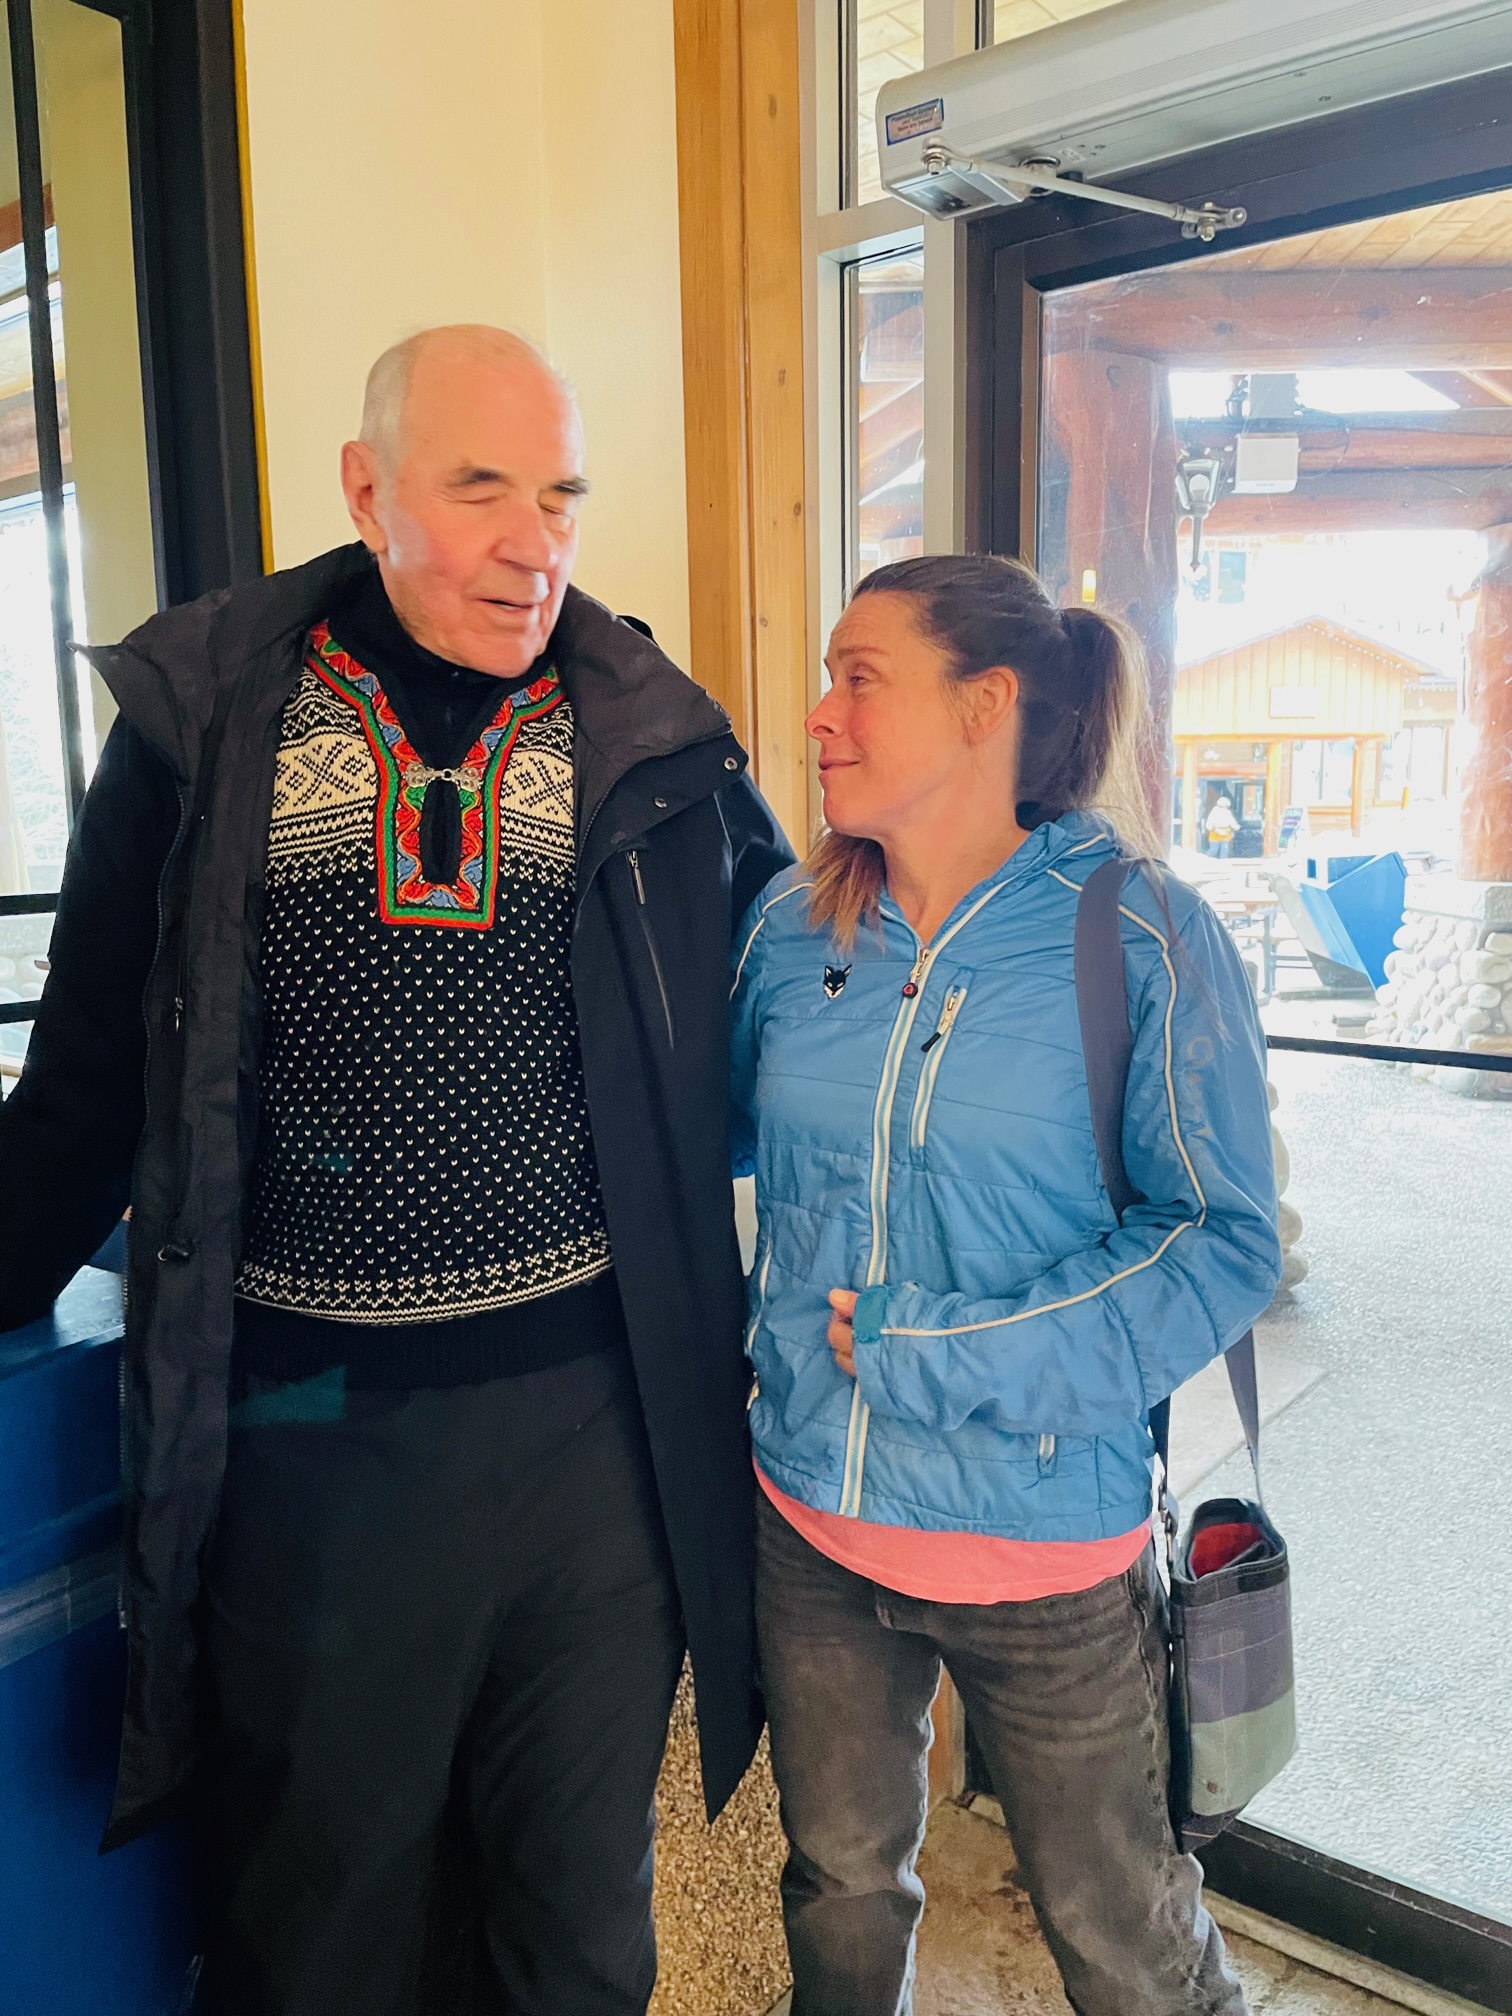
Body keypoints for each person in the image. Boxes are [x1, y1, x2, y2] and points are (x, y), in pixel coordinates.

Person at [0, 325, 791, 2016]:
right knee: (322, 1913)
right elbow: (82, 1089)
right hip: (315, 1441)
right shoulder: (209, 726)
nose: (532, 542)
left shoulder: (651, 739)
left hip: (599, 1445)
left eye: (560, 495)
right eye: (480, 487)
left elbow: (791, 1024)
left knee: (576, 1925)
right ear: (367, 491)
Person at [732, 554, 1281, 2016]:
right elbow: (709, 1144)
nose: (820, 712)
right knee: (838, 1886)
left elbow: (1218, 1238)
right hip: (811, 1521)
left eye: (860, 677)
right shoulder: (792, 929)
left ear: (984, 705)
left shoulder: (1139, 930)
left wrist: (933, 1351)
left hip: (1040, 1552)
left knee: (1122, 1933)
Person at [1206, 791, 1239, 857]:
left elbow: (1232, 821)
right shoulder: (1214, 812)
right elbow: (1209, 823)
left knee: (1224, 851)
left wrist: (1236, 827)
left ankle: (1223, 862)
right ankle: (1205, 859)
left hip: (1225, 833)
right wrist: (1213, 829)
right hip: (1215, 833)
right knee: (1213, 850)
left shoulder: (1227, 812)